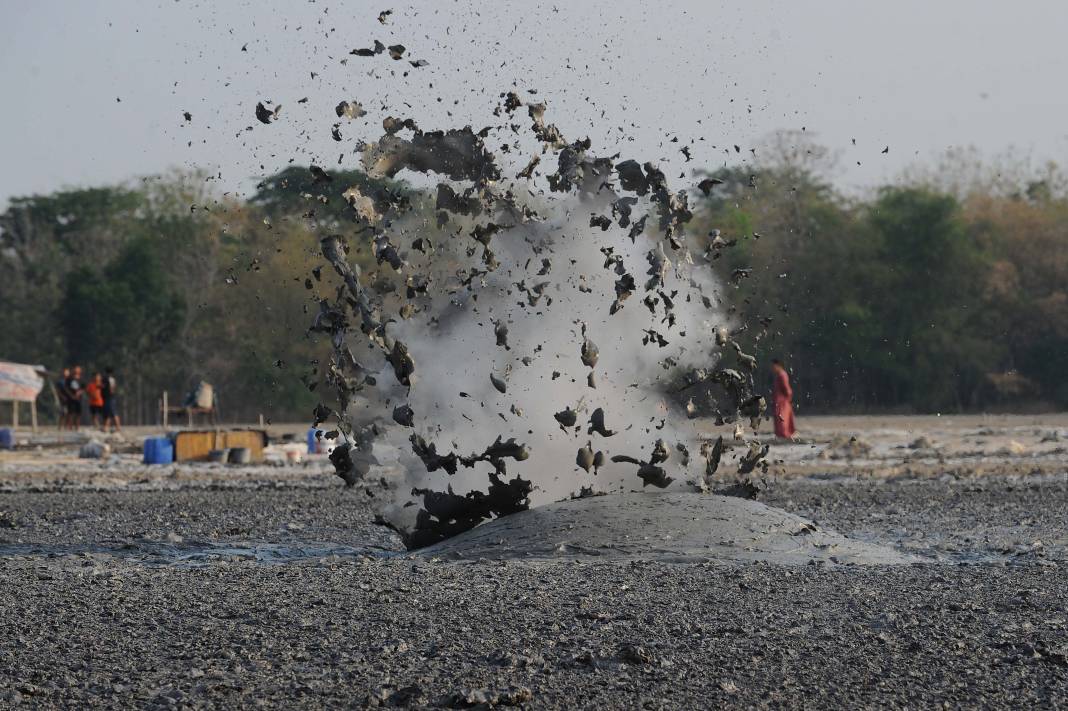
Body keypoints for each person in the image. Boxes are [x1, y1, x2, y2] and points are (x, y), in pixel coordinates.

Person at [770, 359, 797, 440]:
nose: (772, 368)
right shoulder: (779, 375)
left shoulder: (782, 375)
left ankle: (785, 435)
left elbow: (787, 389)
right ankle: (781, 435)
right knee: (779, 418)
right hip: (779, 401)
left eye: (774, 366)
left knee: (782, 418)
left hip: (782, 401)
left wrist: (788, 397)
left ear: (779, 366)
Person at [102, 367, 122, 434]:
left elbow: (112, 388)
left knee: (113, 412)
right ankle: (106, 427)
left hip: (110, 398)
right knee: (108, 413)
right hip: (108, 398)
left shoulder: (110, 379)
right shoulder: (108, 379)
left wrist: (110, 392)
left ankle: (118, 427)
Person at [65, 365, 84, 431]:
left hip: (79, 399)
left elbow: (83, 388)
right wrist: (71, 395)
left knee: (78, 413)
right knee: (70, 413)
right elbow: (66, 388)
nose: (76, 371)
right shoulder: (69, 379)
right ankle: (69, 427)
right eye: (75, 369)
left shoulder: (81, 379)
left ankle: (77, 427)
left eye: (78, 369)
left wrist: (79, 393)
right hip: (71, 398)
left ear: (80, 371)